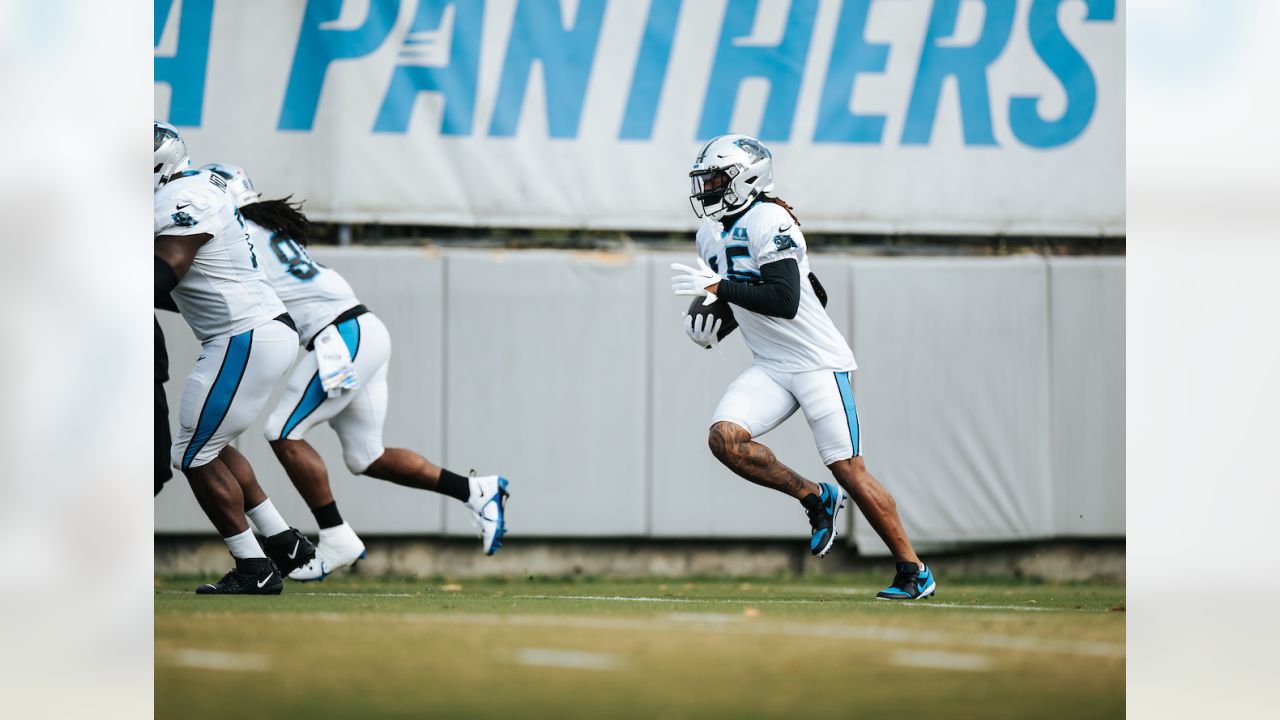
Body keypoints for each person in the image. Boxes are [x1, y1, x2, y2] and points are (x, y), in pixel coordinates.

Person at [201, 163, 510, 581]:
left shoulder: (239, 234)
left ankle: (336, 536)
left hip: (340, 337)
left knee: (282, 431)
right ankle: (475, 491)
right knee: (368, 457)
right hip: (359, 331)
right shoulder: (264, 227)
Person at [670, 134, 935, 600]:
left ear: (745, 178)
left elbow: (789, 300)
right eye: (704, 180)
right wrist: (716, 324)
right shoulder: (709, 234)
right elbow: (757, 294)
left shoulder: (769, 218)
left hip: (818, 364)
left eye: (714, 179)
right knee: (725, 440)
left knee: (849, 468)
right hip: (772, 364)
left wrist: (720, 291)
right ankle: (814, 496)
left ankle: (913, 570)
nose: (706, 189)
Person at [154, 122, 316, 594]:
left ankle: (254, 567)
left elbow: (166, 270)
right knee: (211, 445)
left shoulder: (182, 198)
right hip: (253, 333)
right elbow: (183, 289)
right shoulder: (194, 187)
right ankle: (285, 543)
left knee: (189, 453)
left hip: (242, 336)